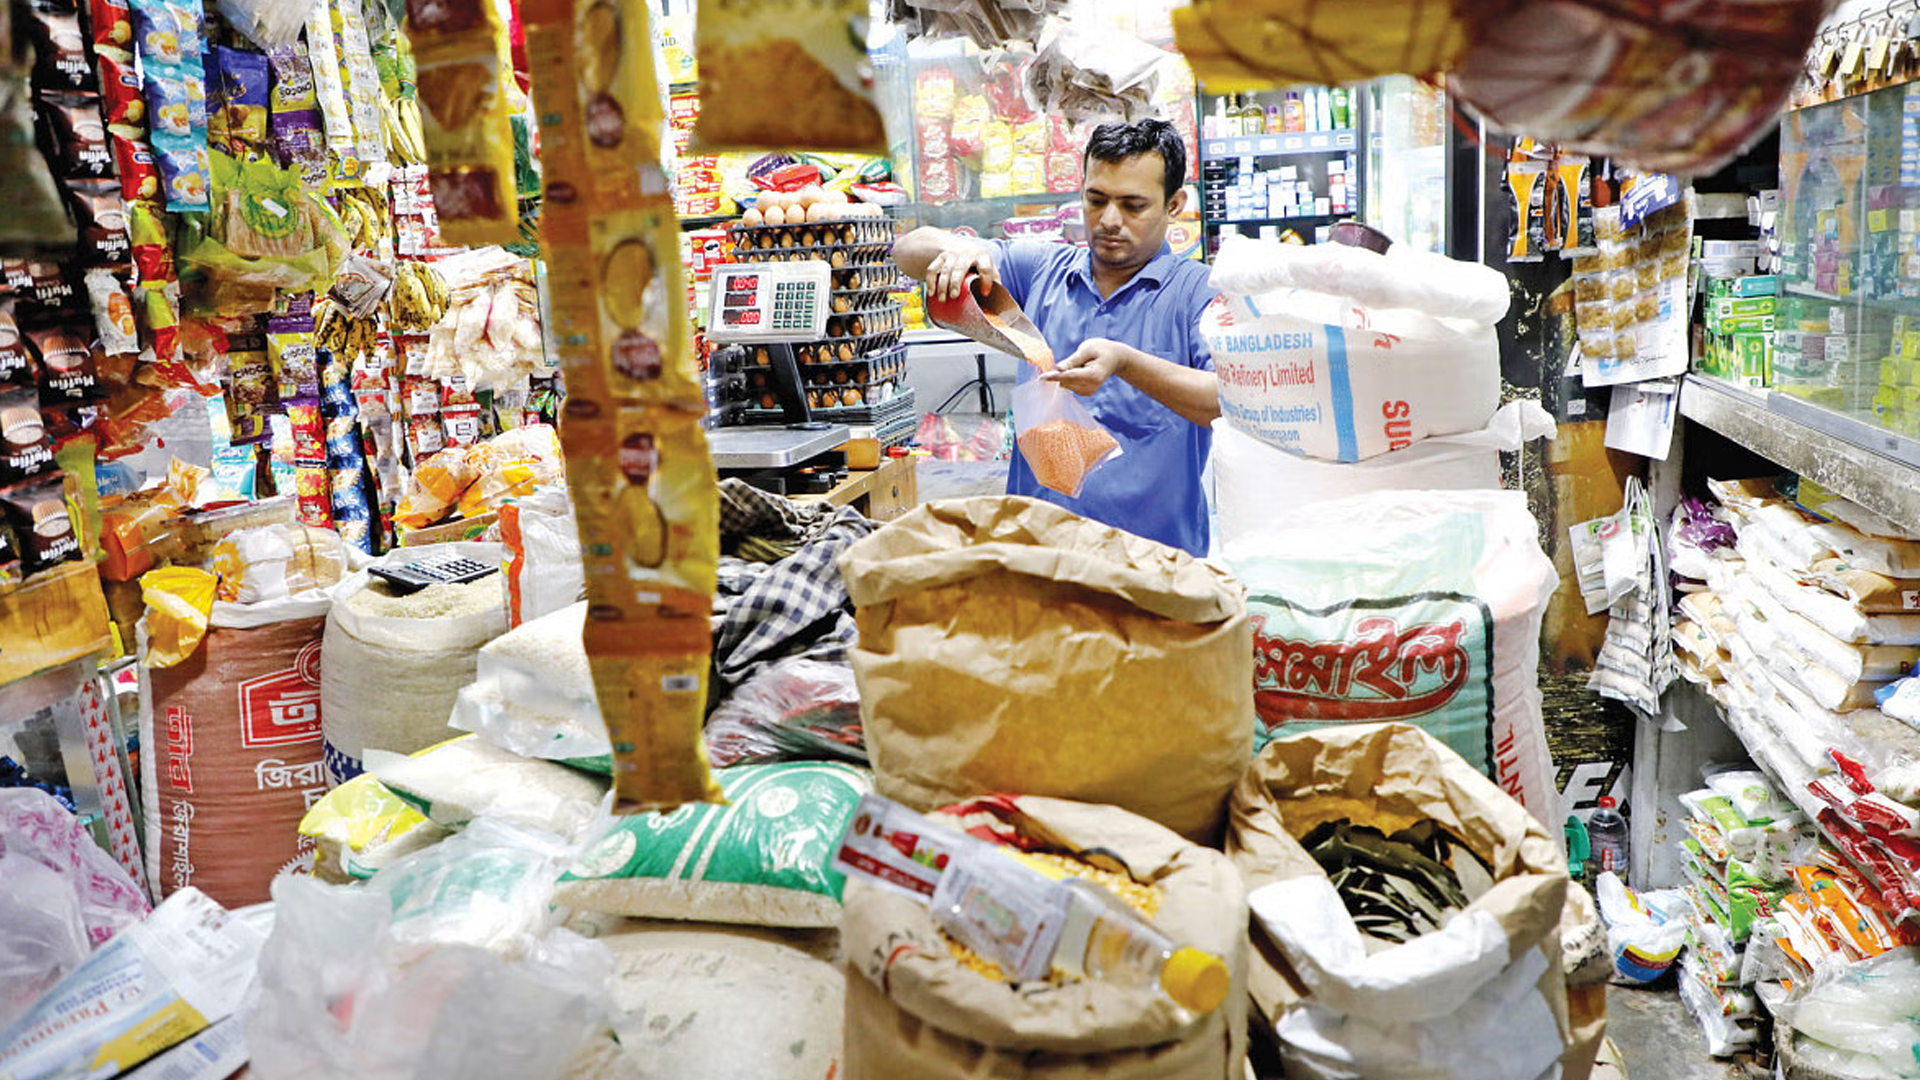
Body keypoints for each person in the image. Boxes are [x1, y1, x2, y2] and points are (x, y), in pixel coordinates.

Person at [893, 118, 1220, 556]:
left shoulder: (1197, 292)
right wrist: (959, 249)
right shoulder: (1041, 271)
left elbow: (1225, 401)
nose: (1108, 220)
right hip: (1042, 560)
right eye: (1096, 199)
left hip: (1157, 566)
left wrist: (1126, 362)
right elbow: (907, 252)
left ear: (1174, 204)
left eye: (1133, 205)